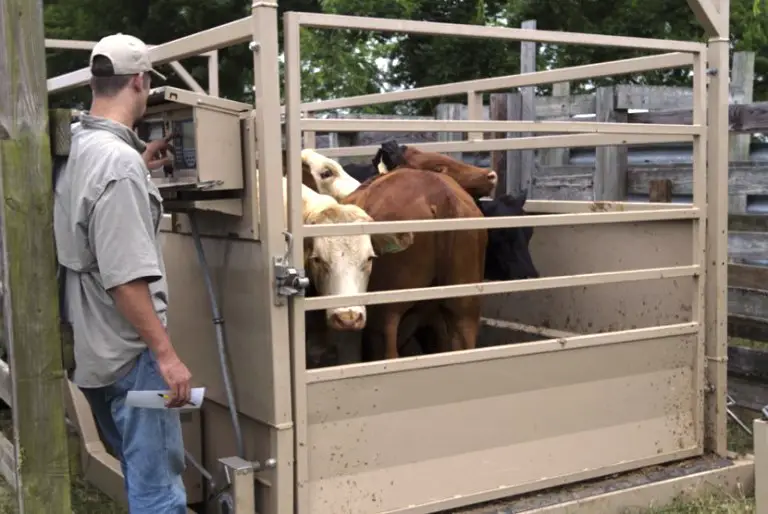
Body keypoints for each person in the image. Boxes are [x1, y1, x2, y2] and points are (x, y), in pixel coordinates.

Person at [53, 33, 192, 513]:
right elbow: (125, 279)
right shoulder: (118, 165)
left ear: (96, 82)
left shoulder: (75, 144)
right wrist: (166, 356)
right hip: (133, 358)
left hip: (93, 351)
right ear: (139, 81)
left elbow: (91, 219)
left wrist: (139, 167)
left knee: (139, 472)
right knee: (159, 492)